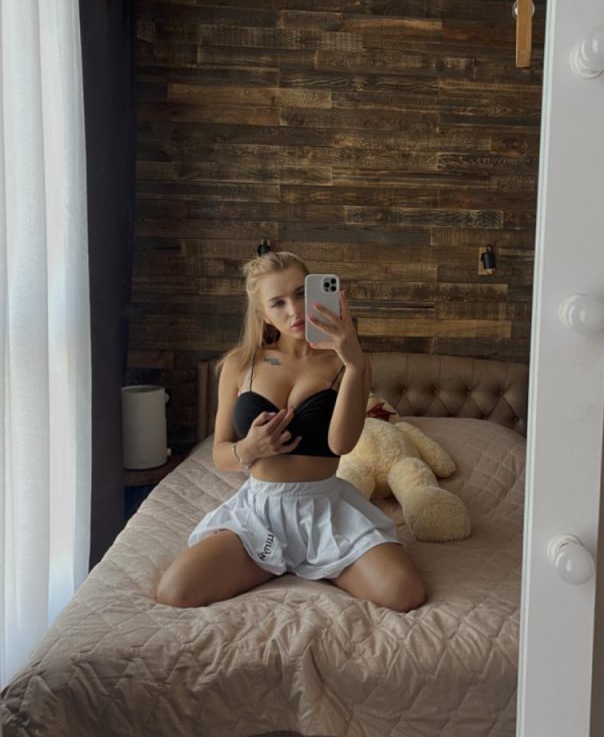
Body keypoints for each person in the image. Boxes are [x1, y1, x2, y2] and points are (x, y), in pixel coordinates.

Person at [156, 250, 428, 613]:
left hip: (326, 508)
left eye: (301, 294)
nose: (295, 310)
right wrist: (249, 449)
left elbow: (341, 444)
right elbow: (220, 453)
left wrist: (353, 362)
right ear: (262, 313)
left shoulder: (349, 363)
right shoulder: (239, 364)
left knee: (405, 593)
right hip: (261, 511)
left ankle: (315, 559)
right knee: (175, 590)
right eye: (278, 302)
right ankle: (274, 558)